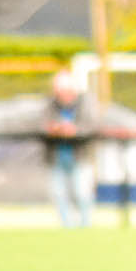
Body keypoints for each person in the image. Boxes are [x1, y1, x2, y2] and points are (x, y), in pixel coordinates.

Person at [43, 70, 95, 228]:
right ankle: (66, 226)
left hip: (79, 155)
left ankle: (85, 225)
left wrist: (75, 130)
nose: (63, 95)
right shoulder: (50, 105)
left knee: (82, 192)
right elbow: (42, 124)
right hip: (57, 156)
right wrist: (55, 129)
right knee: (59, 193)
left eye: (66, 92)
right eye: (60, 92)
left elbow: (90, 126)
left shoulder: (85, 104)